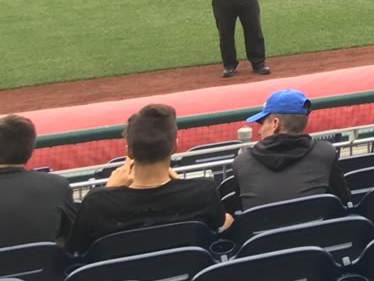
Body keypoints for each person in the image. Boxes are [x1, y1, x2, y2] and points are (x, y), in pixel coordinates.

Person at [66, 104, 229, 254]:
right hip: (188, 280)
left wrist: (109, 191)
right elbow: (223, 224)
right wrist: (181, 183)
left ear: (129, 152)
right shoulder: (204, 191)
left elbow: (74, 249)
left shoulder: (97, 202)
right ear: (174, 147)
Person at [232, 90, 351, 210]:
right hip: (315, 227)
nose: (259, 131)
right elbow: (345, 202)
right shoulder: (325, 153)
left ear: (275, 124)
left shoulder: (242, 163)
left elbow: (238, 212)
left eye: (262, 124)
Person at [0, 114, 75, 248]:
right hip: (47, 268)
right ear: (31, 149)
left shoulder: (57, 185)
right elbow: (72, 238)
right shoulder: (57, 185)